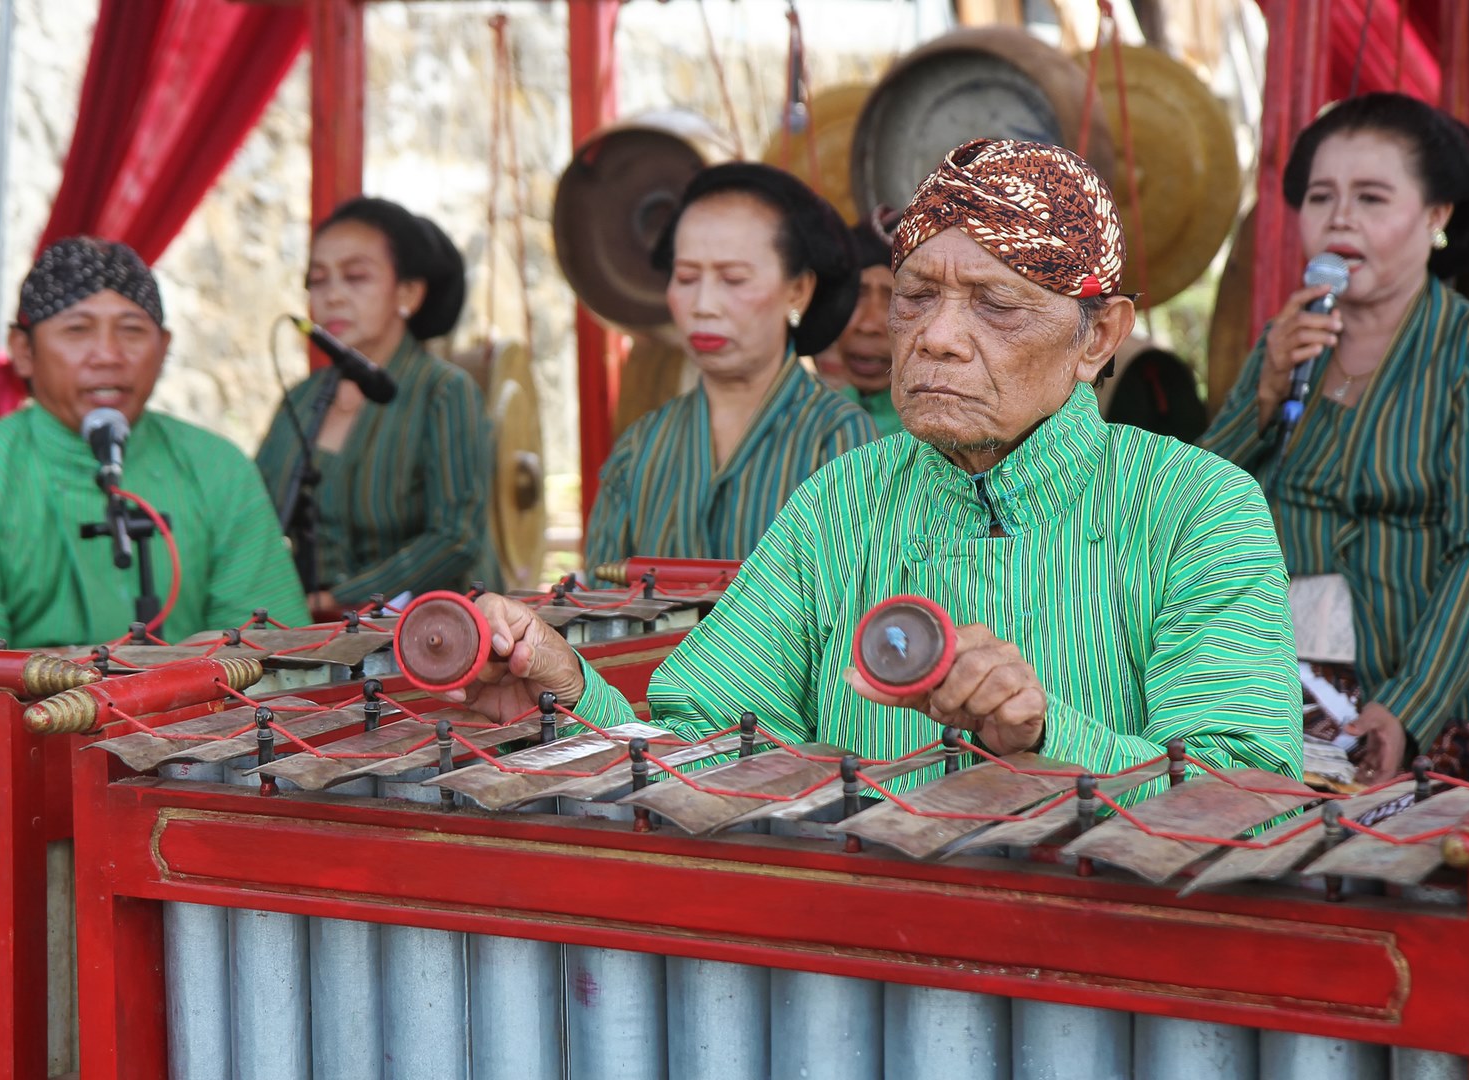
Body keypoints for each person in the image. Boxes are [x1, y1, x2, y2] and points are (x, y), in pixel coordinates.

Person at [453, 140, 1301, 794]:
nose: (934, 335)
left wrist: (1048, 736)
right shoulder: (843, 501)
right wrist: (569, 699)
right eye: (915, 295)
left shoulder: (1197, 508)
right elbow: (708, 746)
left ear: (1100, 338)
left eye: (996, 305)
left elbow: (1251, 797)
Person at [1200, 93, 1469, 783]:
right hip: (1291, 683)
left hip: (1445, 697)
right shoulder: (1286, 342)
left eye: (1371, 198)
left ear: (1436, 215)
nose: (1339, 218)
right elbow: (1193, 506)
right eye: (1321, 196)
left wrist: (1407, 709)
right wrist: (1263, 396)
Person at [0, 237, 308, 648]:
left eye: (131, 330)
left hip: (204, 711)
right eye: (77, 330)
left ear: (163, 349)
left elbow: (272, 653)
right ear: (23, 351)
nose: (108, 354)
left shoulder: (217, 467)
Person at [583, 163, 876, 567]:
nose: (703, 306)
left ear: (798, 291)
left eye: (733, 279)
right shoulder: (641, 448)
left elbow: (854, 607)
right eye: (686, 278)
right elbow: (597, 608)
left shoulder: (839, 440)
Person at [255, 197, 499, 618]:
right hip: (306, 634)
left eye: (355, 277)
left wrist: (337, 600)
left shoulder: (443, 390)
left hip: (430, 635)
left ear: (408, 292)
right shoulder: (301, 399)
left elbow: (455, 537)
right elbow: (252, 514)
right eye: (318, 280)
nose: (332, 296)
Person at [816, 211, 903, 437]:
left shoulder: (952, 442)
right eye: (856, 295)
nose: (867, 325)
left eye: (895, 299)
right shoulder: (814, 423)